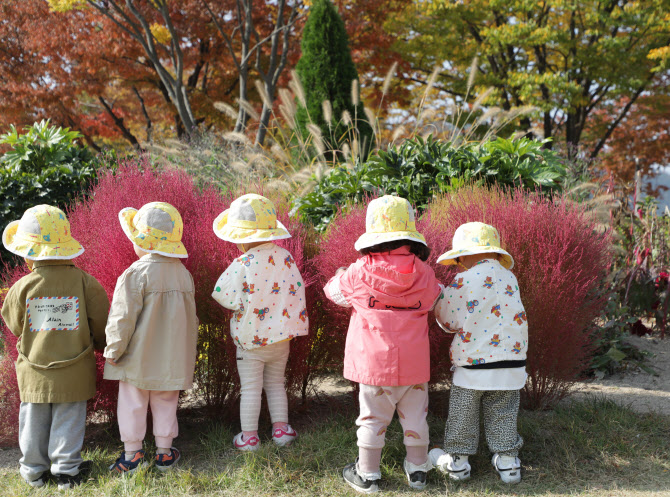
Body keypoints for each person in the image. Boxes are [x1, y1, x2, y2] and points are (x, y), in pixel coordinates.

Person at [323, 195, 442, 493]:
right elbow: (437, 297)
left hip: (374, 363)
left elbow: (332, 293)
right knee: (416, 416)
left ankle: (368, 474)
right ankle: (417, 471)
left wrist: (339, 275)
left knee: (372, 418)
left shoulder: (359, 271)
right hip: (414, 364)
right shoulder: (425, 274)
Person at [1, 205, 109, 490]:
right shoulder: (86, 283)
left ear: (28, 253)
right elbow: (101, 321)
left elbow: (13, 324)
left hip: (34, 369)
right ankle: (66, 470)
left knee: (33, 420)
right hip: (75, 367)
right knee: (69, 416)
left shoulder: (22, 287)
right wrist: (100, 344)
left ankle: (34, 471)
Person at [430, 222, 528, 484]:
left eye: (459, 258)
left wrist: (442, 296)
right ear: (495, 254)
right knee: (504, 411)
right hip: (511, 363)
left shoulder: (463, 280)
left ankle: (458, 464)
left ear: (467, 255)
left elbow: (449, 320)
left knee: (463, 413)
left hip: (474, 365)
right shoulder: (510, 278)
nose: (459, 263)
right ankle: (508, 464)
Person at [104, 202, 198, 474]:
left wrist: (114, 349)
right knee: (166, 401)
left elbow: (122, 317)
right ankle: (164, 453)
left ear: (142, 241)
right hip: (170, 359)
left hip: (136, 358)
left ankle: (132, 455)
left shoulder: (135, 273)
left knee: (132, 403)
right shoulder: (183, 275)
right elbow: (191, 320)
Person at [211, 194, 308, 451]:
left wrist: (244, 301)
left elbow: (222, 295)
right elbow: (295, 289)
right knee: (277, 384)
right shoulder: (285, 257)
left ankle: (249, 437)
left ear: (240, 240)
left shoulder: (242, 263)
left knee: (251, 389)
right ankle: (281, 430)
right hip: (281, 338)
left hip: (250, 340)